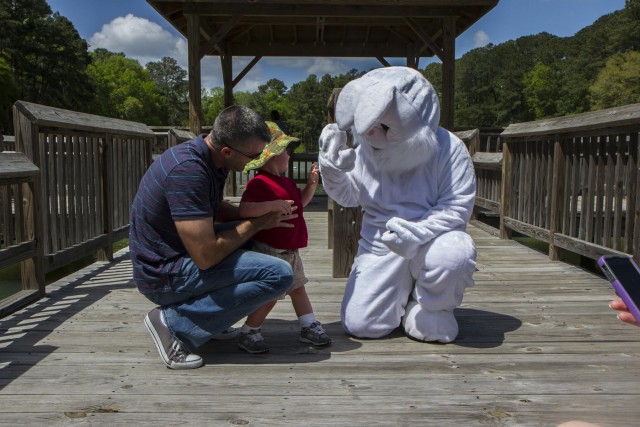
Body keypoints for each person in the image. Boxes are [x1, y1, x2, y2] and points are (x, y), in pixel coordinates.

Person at [129, 105, 297, 369]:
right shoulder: (188, 171)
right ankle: (172, 325)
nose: (255, 163)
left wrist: (254, 212)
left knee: (252, 240)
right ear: (227, 151)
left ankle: (210, 321)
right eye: (253, 156)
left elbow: (212, 209)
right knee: (279, 274)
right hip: (162, 274)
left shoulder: (209, 159)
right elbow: (206, 256)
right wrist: (256, 223)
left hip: (175, 252)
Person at [318, 66, 477, 343]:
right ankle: (402, 295)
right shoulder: (366, 151)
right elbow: (349, 196)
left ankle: (431, 304)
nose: (371, 135)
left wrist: (418, 233)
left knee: (453, 255)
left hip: (434, 240)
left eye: (383, 126)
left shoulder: (448, 148)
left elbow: (456, 205)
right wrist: (331, 169)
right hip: (380, 245)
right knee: (361, 325)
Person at [235, 121, 331, 353]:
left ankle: (308, 325)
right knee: (273, 291)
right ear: (272, 157)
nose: (289, 155)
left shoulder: (286, 182)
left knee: (298, 287)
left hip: (290, 251)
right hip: (270, 251)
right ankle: (249, 330)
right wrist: (270, 204)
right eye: (286, 151)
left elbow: (300, 204)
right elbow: (244, 210)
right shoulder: (259, 183)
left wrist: (311, 185)